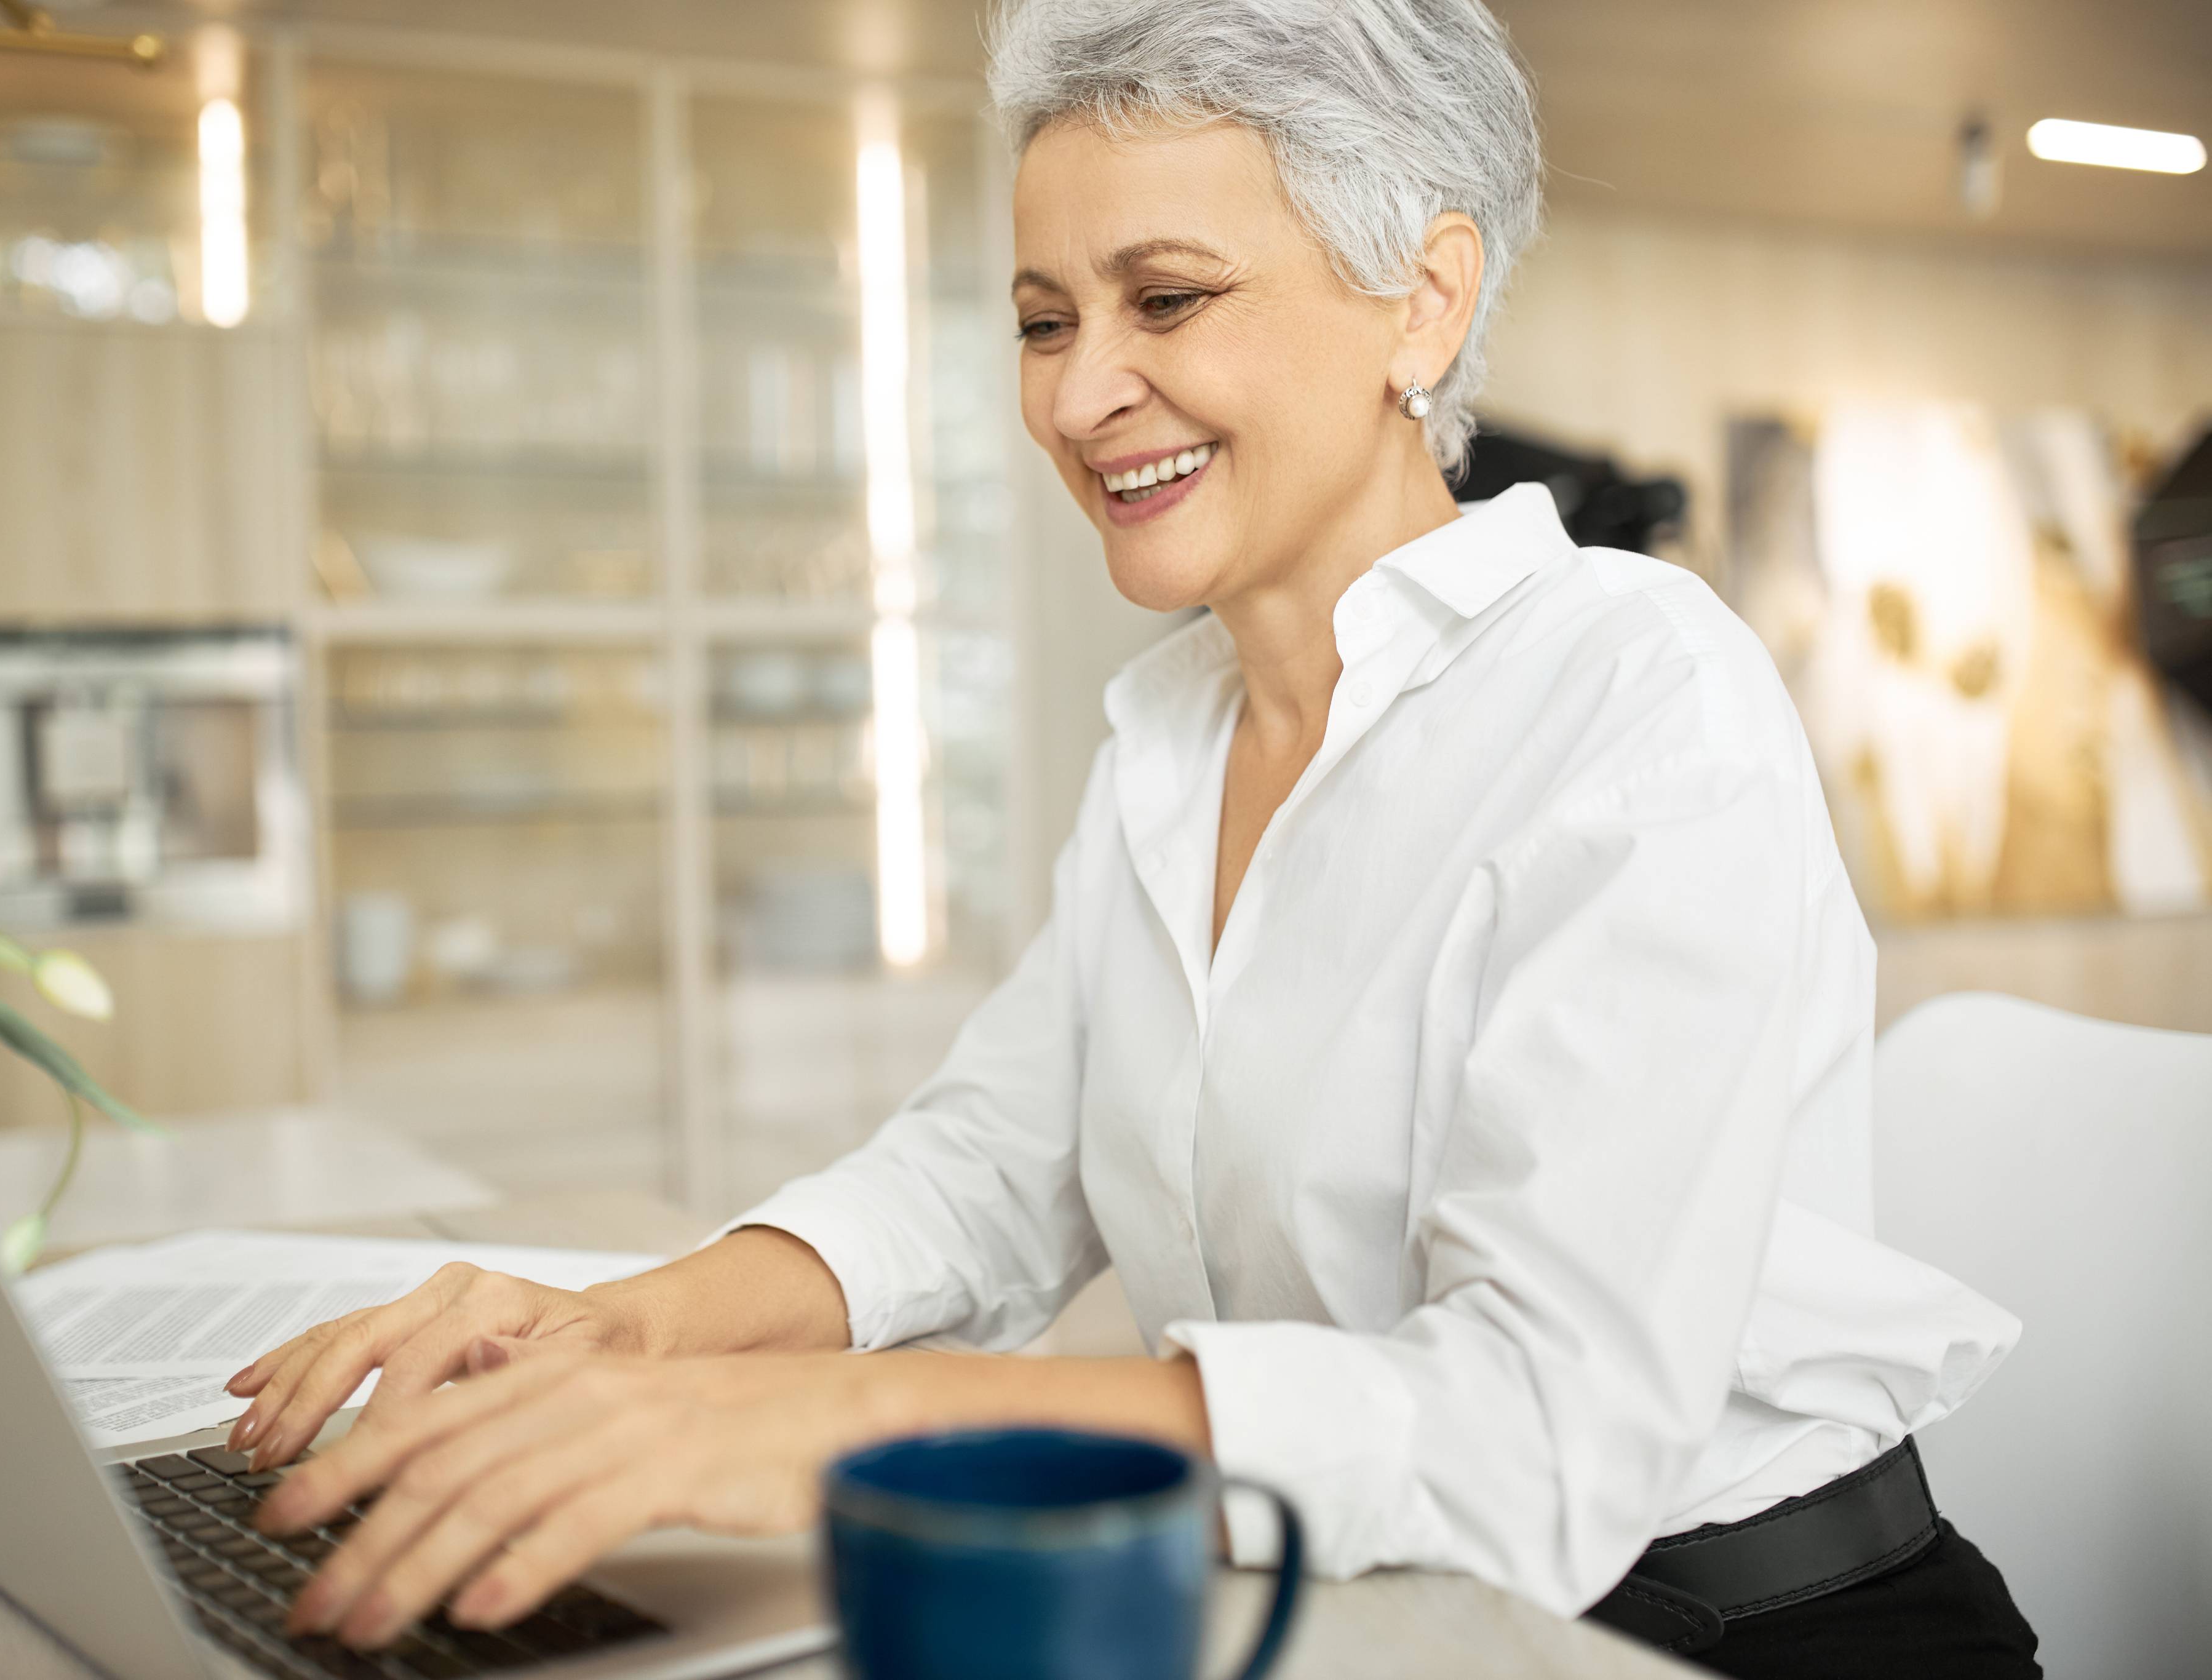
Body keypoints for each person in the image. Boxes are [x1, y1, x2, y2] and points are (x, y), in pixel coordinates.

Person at [228, 1, 2042, 1671]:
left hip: (1732, 1631)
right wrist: (628, 1329)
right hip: (1373, 1602)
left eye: (1165, 300)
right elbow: (982, 1172)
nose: (1079, 394)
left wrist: (840, 1421)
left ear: (1422, 301)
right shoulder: (1171, 732)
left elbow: (1531, 1435)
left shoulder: (1642, 698)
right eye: (1042, 317)